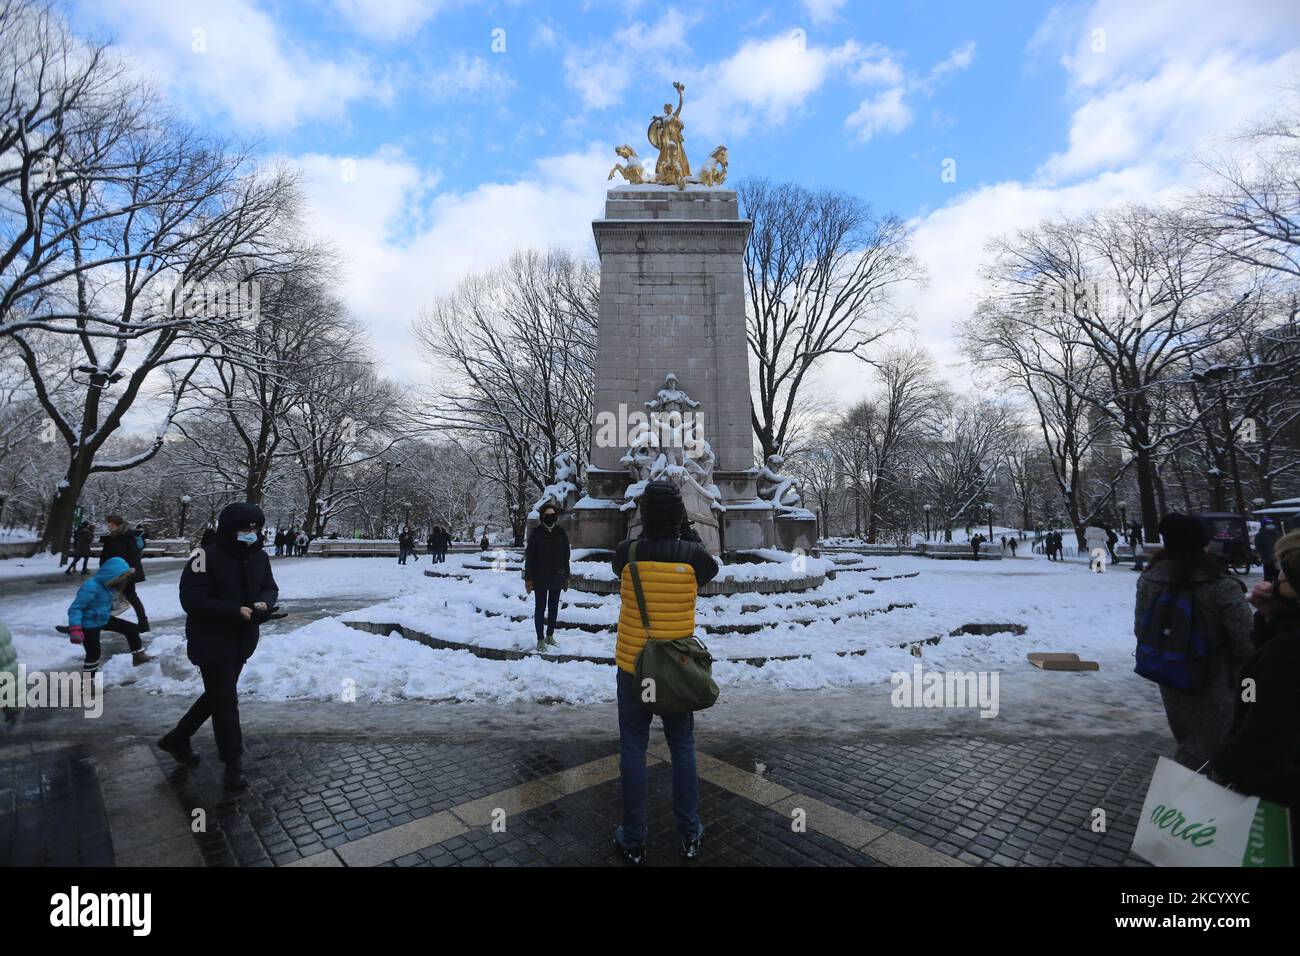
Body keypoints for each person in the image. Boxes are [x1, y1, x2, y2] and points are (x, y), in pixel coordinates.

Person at [610, 481, 719, 865]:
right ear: (676, 515)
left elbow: (617, 565)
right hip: (676, 668)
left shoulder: (627, 552)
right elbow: (710, 566)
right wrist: (684, 527)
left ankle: (634, 837)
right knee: (683, 748)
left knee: (633, 749)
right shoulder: (693, 557)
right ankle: (690, 831)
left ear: (642, 514)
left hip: (633, 667)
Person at [159, 502, 278, 790]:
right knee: (225, 702)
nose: (251, 533)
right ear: (229, 528)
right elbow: (193, 601)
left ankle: (176, 738)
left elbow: (270, 587)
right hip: (211, 639)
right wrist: (234, 610)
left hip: (242, 639)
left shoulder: (259, 556)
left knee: (218, 695)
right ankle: (233, 764)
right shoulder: (203, 556)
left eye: (255, 528)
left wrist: (265, 603)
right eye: (245, 528)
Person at [1135, 513, 1254, 770]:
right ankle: (1199, 800)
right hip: (1217, 677)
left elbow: (1140, 628)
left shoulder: (1149, 579)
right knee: (1217, 745)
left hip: (1170, 672)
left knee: (1188, 737)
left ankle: (1190, 794)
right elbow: (1246, 639)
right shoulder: (1221, 585)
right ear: (1202, 543)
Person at [1212, 528, 1300, 863]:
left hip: (1284, 800)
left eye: (1282, 574)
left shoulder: (1289, 651)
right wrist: (1271, 618)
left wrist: (1224, 766)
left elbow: (1265, 731)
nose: (1274, 581)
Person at [65, 557, 155, 672]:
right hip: (88, 624)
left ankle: (138, 656)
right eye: (121, 578)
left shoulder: (109, 586)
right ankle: (87, 684)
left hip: (103, 619)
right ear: (112, 576)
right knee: (93, 654)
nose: (123, 582)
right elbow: (75, 609)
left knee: (131, 628)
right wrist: (75, 628)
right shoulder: (90, 588)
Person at [524, 505, 570, 652]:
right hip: (540, 577)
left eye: (553, 514)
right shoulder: (536, 533)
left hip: (557, 576)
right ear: (542, 516)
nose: (550, 516)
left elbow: (565, 557)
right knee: (540, 608)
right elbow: (529, 558)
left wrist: (567, 576)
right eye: (547, 514)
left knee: (553, 608)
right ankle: (540, 639)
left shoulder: (561, 532)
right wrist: (528, 579)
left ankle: (550, 635)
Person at [99, 515, 149, 633]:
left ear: (114, 524)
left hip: (122, 574)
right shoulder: (124, 536)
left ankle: (94, 623)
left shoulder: (120, 538)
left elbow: (117, 556)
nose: (107, 526)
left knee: (104, 595)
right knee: (131, 596)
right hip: (126, 572)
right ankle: (143, 623)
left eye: (108, 523)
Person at [1256, 519, 1280, 584]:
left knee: (1278, 578)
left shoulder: (1276, 533)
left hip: (1277, 559)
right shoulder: (1260, 535)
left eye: (1271, 524)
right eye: (1268, 524)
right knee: (1268, 578)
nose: (1270, 526)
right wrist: (1264, 557)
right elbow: (1259, 548)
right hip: (1268, 561)